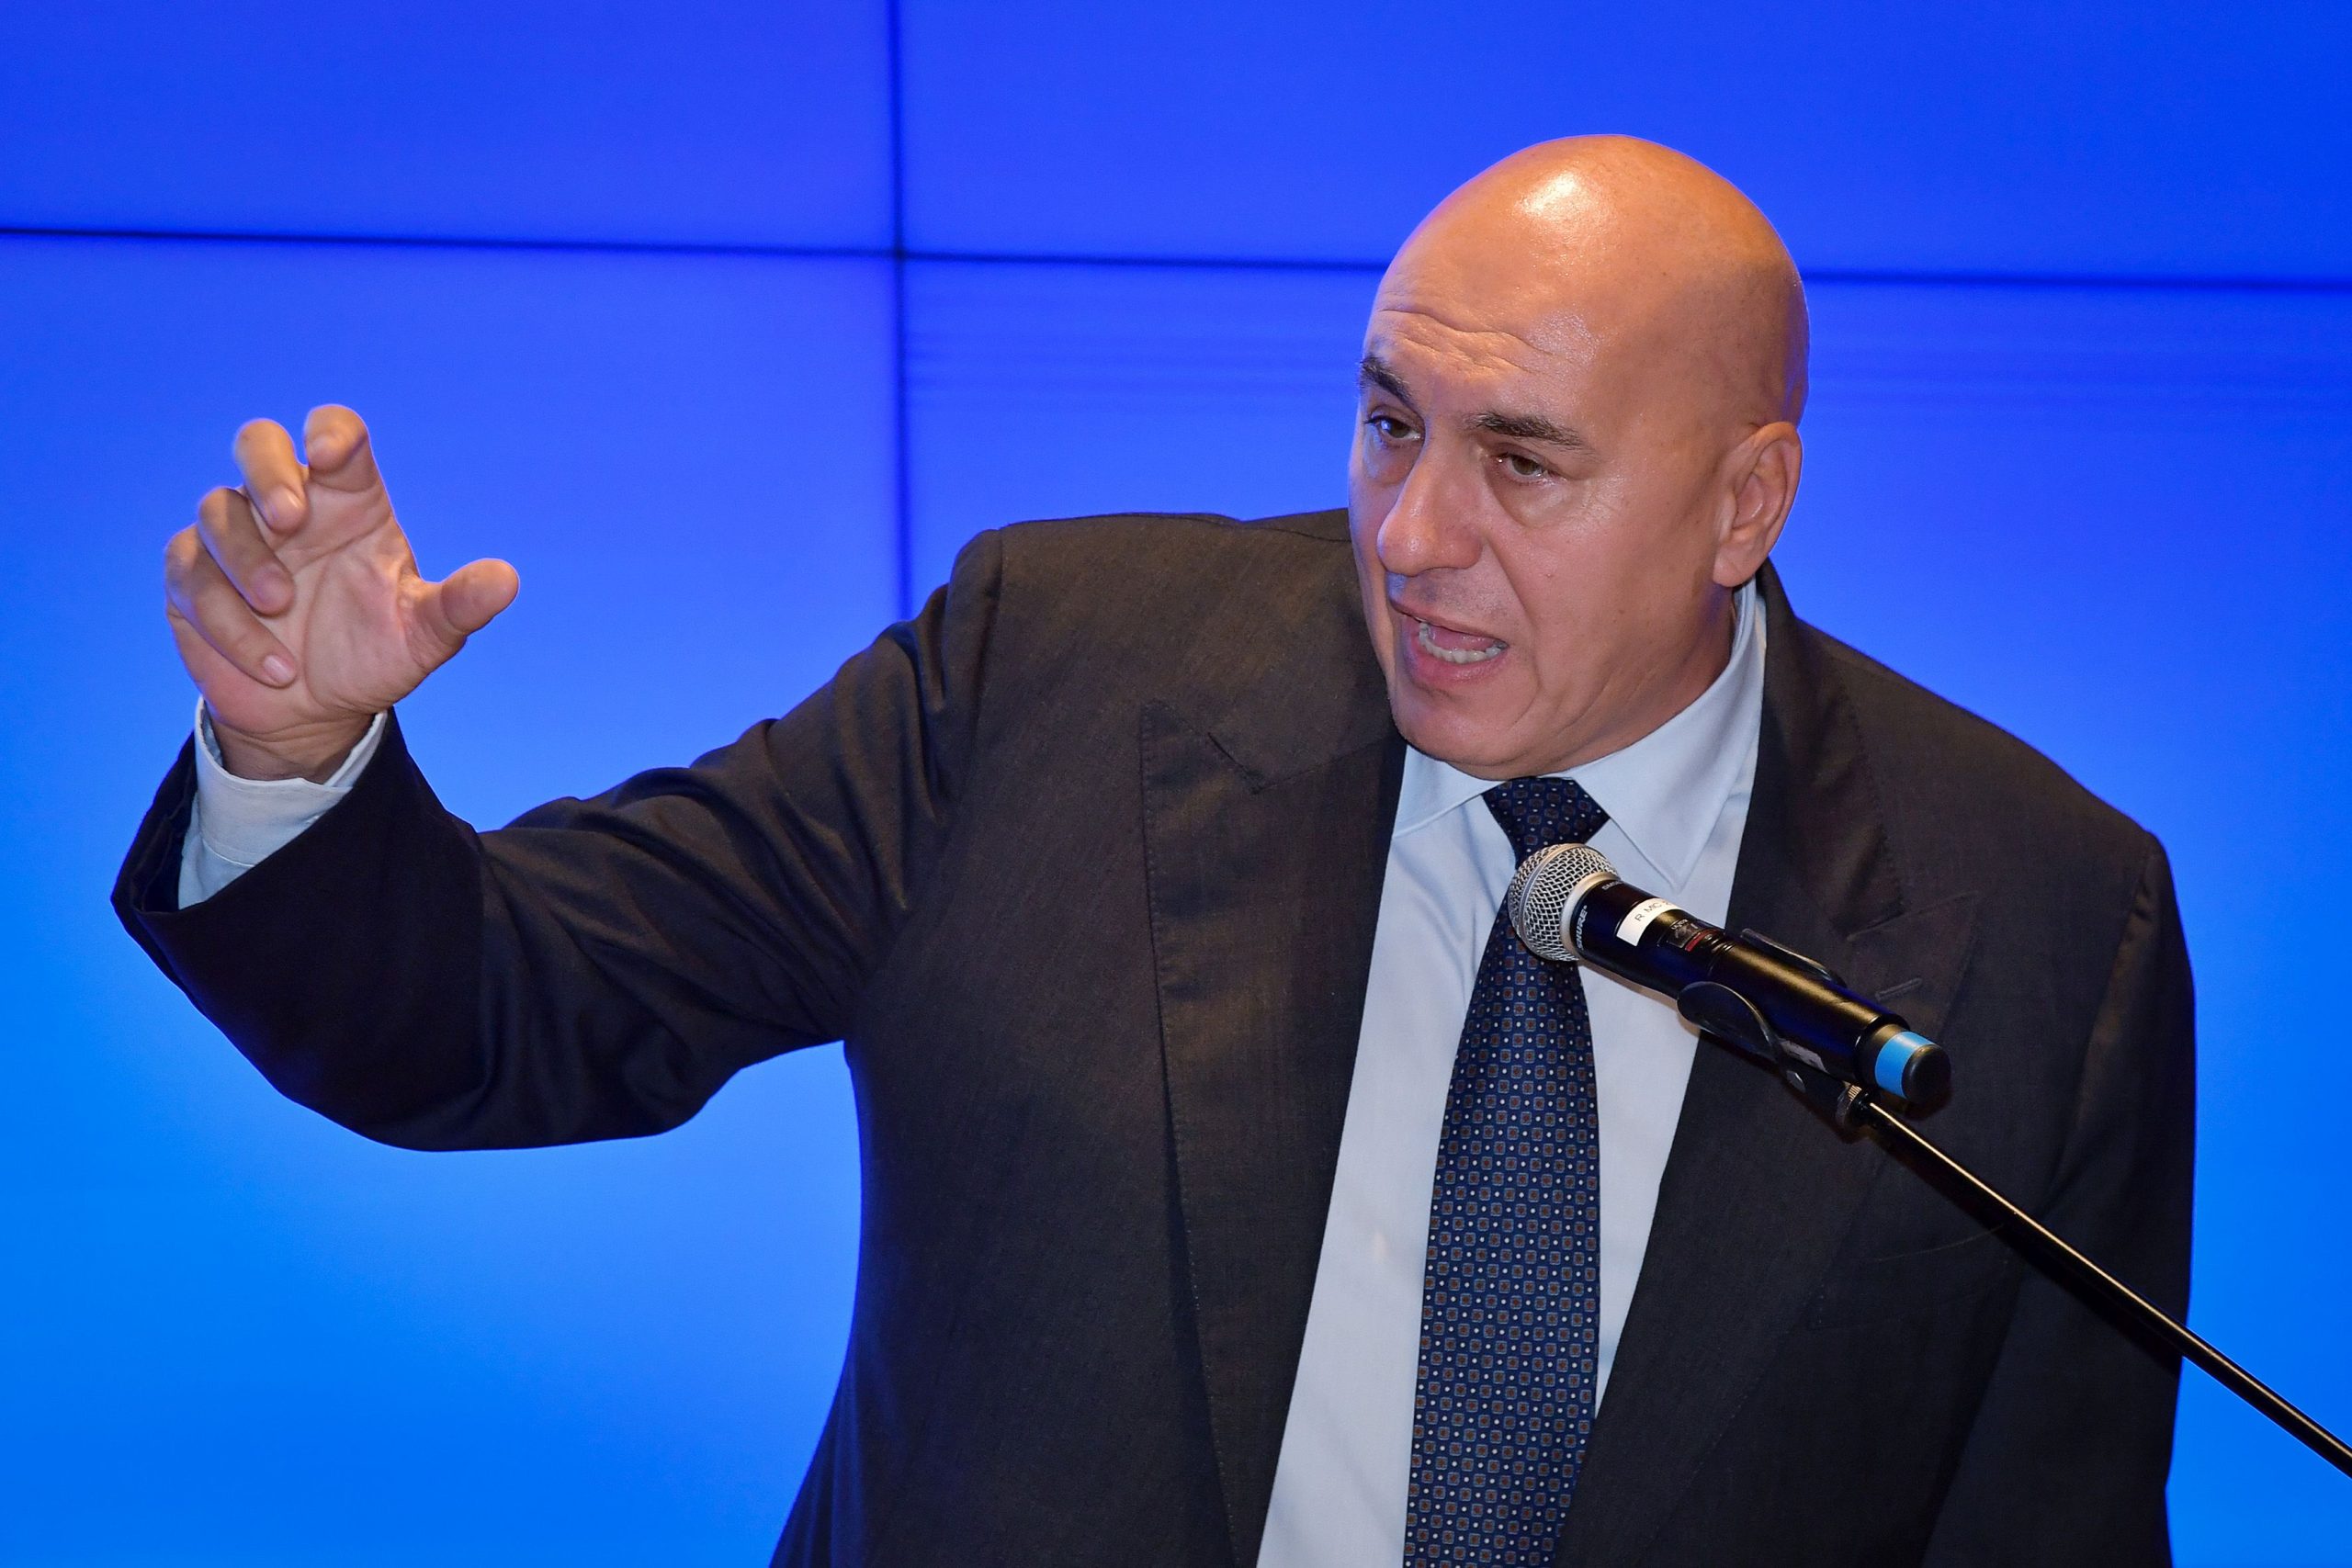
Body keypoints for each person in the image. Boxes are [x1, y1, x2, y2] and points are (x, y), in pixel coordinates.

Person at [114, 137, 2193, 1566]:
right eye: (1387, 421)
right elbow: (512, 1005)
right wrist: (298, 752)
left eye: (1520, 463)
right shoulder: (1056, 676)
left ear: (1746, 502)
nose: (1411, 536)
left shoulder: (2036, 922)